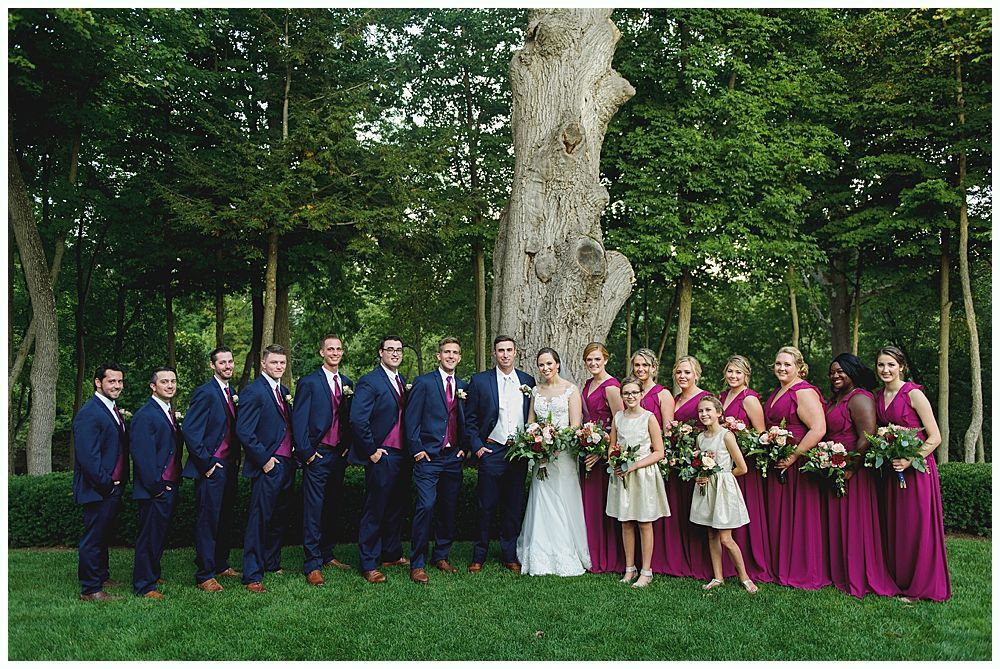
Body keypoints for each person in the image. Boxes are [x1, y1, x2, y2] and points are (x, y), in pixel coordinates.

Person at [874, 346, 951, 602]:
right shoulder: (879, 395)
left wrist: (910, 459)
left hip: (917, 470)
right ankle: (900, 579)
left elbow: (935, 436)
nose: (885, 370)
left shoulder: (913, 394)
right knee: (899, 526)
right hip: (893, 469)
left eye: (891, 365)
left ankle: (921, 588)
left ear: (901, 367)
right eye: (881, 365)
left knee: (917, 527)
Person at [825, 353, 899, 598]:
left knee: (854, 523)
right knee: (838, 522)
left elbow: (866, 437)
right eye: (832, 372)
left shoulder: (860, 398)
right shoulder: (837, 399)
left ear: (852, 372)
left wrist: (850, 468)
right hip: (834, 466)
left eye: (841, 371)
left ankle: (859, 575)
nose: (836, 375)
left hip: (854, 472)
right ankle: (839, 573)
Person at [516, 348, 591, 575]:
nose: (545, 368)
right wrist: (536, 439)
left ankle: (566, 551)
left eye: (549, 364)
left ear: (558, 364)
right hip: (542, 456)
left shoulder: (571, 390)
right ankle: (540, 554)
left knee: (563, 498)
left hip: (563, 456)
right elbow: (530, 421)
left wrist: (556, 442)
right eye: (541, 365)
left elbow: (576, 425)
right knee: (542, 498)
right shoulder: (536, 391)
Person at [464, 335, 535, 574]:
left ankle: (509, 554)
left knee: (513, 506)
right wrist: (477, 446)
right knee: (486, 505)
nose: (505, 354)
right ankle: (479, 555)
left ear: (516, 353)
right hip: (491, 449)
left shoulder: (527, 381)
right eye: (500, 350)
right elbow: (470, 419)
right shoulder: (480, 381)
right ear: (494, 353)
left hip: (518, 451)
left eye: (509, 350)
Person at [763, 346, 830, 590]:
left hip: (797, 462)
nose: (781, 368)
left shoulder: (803, 392)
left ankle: (803, 570)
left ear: (799, 367)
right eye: (778, 364)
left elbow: (818, 428)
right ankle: (780, 565)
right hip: (778, 460)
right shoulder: (779, 391)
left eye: (787, 364)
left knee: (799, 515)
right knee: (781, 515)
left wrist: (793, 456)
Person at [292, 334, 355, 587]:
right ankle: (312, 563)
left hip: (338, 455)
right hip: (317, 454)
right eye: (330, 349)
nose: (335, 353)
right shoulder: (309, 382)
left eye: (339, 349)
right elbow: (299, 419)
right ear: (322, 353)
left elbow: (350, 419)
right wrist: (307, 453)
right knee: (314, 510)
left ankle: (328, 554)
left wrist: (348, 447)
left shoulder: (348, 382)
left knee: (332, 507)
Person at [403, 337, 468, 584]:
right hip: (428, 457)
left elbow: (466, 420)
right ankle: (417, 563)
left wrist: (464, 448)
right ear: (438, 356)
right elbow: (411, 419)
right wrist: (417, 450)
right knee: (426, 506)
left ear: (459, 357)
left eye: (455, 352)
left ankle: (441, 556)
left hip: (453, 457)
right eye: (446, 352)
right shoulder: (423, 382)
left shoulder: (463, 385)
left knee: (448, 509)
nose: (451, 356)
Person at [348, 335, 411, 583]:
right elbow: (357, 419)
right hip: (381, 454)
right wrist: (371, 450)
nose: (395, 353)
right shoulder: (370, 381)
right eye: (390, 349)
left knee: (395, 508)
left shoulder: (400, 380)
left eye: (399, 349)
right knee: (375, 510)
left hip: (401, 456)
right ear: (380, 353)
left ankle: (391, 553)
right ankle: (368, 563)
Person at [236, 344, 297, 593]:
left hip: (287, 464)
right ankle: (252, 574)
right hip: (268, 466)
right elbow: (244, 431)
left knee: (278, 518)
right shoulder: (254, 391)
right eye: (274, 363)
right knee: (259, 519)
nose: (279, 367)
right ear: (263, 364)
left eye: (282, 363)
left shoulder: (282, 391)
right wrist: (266, 461)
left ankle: (272, 563)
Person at [182, 346, 242, 592]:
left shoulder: (231, 392)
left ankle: (221, 563)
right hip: (212, 467)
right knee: (208, 521)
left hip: (229, 466)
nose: (227, 366)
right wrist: (206, 464)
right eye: (222, 363)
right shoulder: (205, 393)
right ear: (212, 366)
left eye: (230, 362)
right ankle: (204, 574)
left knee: (224, 518)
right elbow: (190, 431)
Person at [605, 376, 670, 589]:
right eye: (626, 393)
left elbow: (659, 452)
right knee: (625, 522)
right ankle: (629, 568)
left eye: (634, 392)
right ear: (621, 396)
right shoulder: (618, 417)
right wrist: (614, 460)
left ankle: (646, 571)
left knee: (644, 522)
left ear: (642, 394)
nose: (630, 396)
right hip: (622, 474)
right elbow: (613, 445)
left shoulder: (649, 418)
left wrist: (633, 466)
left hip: (643, 474)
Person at [689, 396, 756, 593]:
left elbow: (742, 468)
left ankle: (745, 577)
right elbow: (699, 465)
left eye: (708, 410)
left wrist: (720, 477)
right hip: (706, 490)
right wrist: (700, 477)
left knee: (726, 538)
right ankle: (718, 577)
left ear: (719, 413)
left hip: (723, 490)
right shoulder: (700, 438)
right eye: (701, 411)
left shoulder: (726, 435)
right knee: (711, 534)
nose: (704, 414)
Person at [73, 363, 129, 601]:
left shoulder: (110, 409)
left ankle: (102, 576)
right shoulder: (89, 412)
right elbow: (88, 458)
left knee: (103, 536)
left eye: (119, 381)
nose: (117, 386)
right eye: (111, 381)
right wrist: (107, 484)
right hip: (98, 489)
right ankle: (90, 589)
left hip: (111, 487)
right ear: (98, 382)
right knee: (93, 539)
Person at [130, 367, 184, 599]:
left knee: (159, 535)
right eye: (164, 382)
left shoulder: (167, 412)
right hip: (155, 489)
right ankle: (144, 585)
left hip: (168, 484)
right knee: (149, 537)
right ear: (153, 386)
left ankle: (152, 573)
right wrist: (157, 487)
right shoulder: (146, 415)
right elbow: (143, 456)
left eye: (172, 381)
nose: (170, 385)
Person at [718, 355, 771, 583]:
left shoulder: (749, 399)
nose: (733, 376)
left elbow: (761, 434)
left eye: (738, 372)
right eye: (730, 371)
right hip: (723, 463)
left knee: (742, 513)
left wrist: (738, 435)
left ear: (746, 375)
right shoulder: (722, 397)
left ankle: (749, 563)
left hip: (743, 465)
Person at [579, 342, 624, 573]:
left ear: (606, 359)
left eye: (598, 359)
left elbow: (620, 425)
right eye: (589, 360)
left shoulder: (612, 387)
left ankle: (607, 556)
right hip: (588, 450)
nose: (594, 363)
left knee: (603, 505)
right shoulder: (587, 384)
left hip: (603, 457)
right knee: (589, 505)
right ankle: (589, 553)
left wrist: (600, 453)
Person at [671, 355, 715, 580]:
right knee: (679, 511)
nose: (683, 376)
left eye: (687, 372)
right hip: (677, 462)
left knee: (697, 511)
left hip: (697, 461)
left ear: (696, 374)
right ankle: (678, 557)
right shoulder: (674, 398)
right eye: (679, 372)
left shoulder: (704, 399)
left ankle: (699, 562)